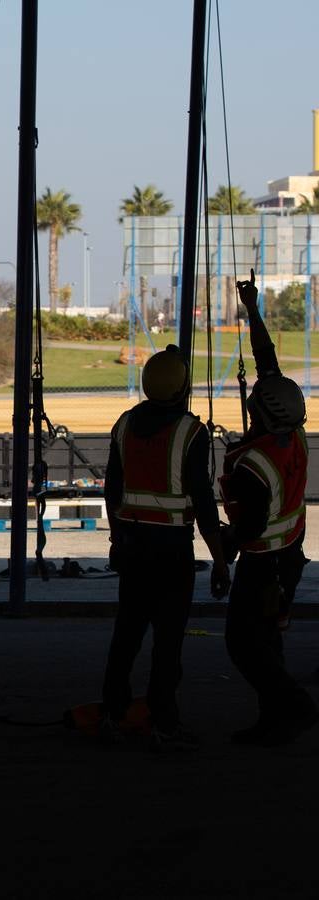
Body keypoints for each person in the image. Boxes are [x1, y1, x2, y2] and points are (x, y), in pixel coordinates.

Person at [102, 344, 231, 751]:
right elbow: (204, 500)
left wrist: (116, 537)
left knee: (126, 634)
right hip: (171, 550)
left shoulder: (124, 424)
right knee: (167, 643)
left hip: (133, 544)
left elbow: (112, 489)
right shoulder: (190, 431)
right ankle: (164, 721)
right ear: (182, 387)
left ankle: (113, 713)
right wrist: (221, 560)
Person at [220, 269, 318, 746]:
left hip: (263, 564)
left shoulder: (252, 463)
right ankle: (273, 721)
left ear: (260, 413)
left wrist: (223, 549)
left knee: (243, 644)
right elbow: (268, 362)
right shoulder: (293, 436)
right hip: (291, 556)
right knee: (269, 640)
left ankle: (295, 708)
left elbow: (251, 524)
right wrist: (253, 310)